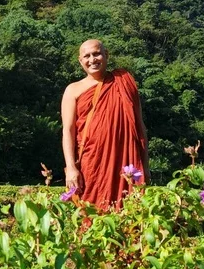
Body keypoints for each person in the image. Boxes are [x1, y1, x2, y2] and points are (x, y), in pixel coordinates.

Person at [61, 39, 149, 211]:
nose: (92, 59)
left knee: (129, 214)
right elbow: (68, 131)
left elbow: (139, 126)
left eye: (97, 54)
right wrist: (71, 167)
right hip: (91, 164)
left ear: (106, 55)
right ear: (80, 61)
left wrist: (145, 165)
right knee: (90, 214)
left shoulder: (124, 82)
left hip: (125, 161)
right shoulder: (73, 89)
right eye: (87, 56)